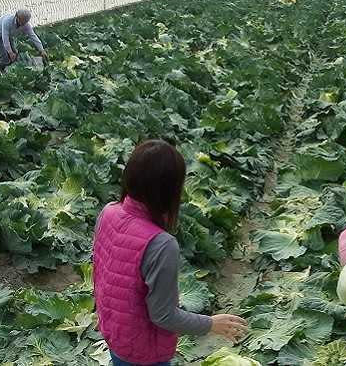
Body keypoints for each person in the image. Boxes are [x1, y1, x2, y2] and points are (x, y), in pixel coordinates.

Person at [93, 140, 248, 366]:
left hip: (116, 334)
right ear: (169, 190)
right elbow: (163, 316)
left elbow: (100, 273)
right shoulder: (161, 244)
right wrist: (211, 324)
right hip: (144, 353)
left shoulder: (108, 212)